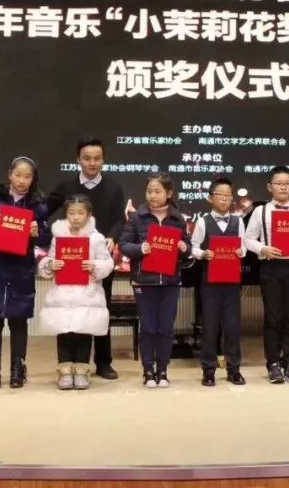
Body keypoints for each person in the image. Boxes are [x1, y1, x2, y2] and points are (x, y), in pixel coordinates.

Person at [47, 138, 126, 380]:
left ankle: (103, 362)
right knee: (69, 311)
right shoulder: (65, 187)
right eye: (87, 158)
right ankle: (70, 363)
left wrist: (112, 237)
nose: (92, 163)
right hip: (69, 261)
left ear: (103, 160)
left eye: (97, 158)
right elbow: (44, 211)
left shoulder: (114, 188)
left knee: (100, 309)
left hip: (98, 259)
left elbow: (119, 219)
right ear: (78, 160)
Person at [0, 156, 50, 389]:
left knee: (18, 318)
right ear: (10, 175)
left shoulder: (38, 206)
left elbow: (46, 239)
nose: (22, 181)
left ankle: (18, 367)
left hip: (20, 268)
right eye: (18, 175)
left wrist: (38, 232)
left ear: (33, 179)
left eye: (27, 176)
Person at [244, 166, 289, 384]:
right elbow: (248, 239)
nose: (283, 187)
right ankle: (273, 364)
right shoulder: (260, 211)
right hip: (271, 267)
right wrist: (262, 249)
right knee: (273, 317)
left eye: (287, 183)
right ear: (270, 187)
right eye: (279, 183)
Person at [118, 173, 190, 388]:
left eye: (157, 191)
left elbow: (188, 248)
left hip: (170, 281)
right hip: (144, 281)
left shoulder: (178, 219)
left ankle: (163, 370)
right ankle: (148, 370)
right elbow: (123, 245)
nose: (152, 195)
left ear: (169, 193)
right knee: (148, 327)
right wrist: (140, 248)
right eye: (149, 191)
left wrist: (184, 248)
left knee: (166, 328)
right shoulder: (137, 217)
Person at [37, 196, 114, 390]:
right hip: (62, 292)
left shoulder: (96, 238)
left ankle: (81, 371)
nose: (76, 217)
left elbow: (107, 262)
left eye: (80, 213)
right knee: (64, 332)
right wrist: (50, 265)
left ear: (89, 215)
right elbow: (49, 259)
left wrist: (95, 266)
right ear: (66, 214)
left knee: (83, 331)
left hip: (87, 293)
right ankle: (64, 371)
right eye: (71, 213)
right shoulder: (58, 237)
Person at [190, 177, 247, 386]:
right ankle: (208, 369)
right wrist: (203, 254)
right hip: (210, 281)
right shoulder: (202, 222)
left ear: (232, 198)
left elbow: (243, 245)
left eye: (227, 195)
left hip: (231, 281)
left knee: (233, 326)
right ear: (210, 198)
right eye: (219, 195)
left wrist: (242, 251)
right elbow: (193, 247)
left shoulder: (238, 221)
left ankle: (234, 369)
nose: (224, 199)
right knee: (210, 326)